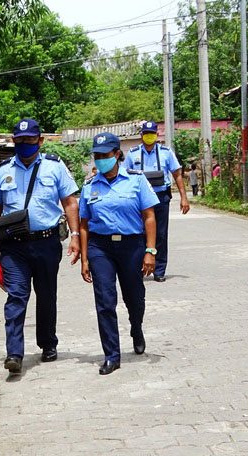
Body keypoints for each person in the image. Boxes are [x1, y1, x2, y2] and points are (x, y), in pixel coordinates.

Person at [0, 118, 80, 374]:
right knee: (16, 296)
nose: (24, 144)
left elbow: (70, 202)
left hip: (46, 243)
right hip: (13, 247)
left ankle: (48, 343)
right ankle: (14, 353)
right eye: (19, 140)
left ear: (40, 141)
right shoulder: (4, 170)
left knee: (46, 295)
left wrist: (75, 235)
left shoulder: (54, 166)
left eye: (29, 140)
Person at [79, 132, 159, 375]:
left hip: (131, 246)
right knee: (105, 301)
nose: (101, 159)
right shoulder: (89, 186)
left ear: (117, 154)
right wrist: (84, 259)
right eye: (97, 156)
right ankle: (111, 355)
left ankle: (136, 327)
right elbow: (84, 224)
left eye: (105, 155)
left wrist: (150, 251)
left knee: (134, 297)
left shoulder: (136, 180)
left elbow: (149, 217)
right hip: (100, 247)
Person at [124, 121, 190, 282]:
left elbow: (177, 174)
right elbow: (125, 176)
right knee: (139, 233)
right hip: (139, 198)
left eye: (152, 133)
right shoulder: (132, 154)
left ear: (157, 134)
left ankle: (159, 270)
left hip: (161, 196)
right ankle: (139, 268)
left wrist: (184, 197)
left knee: (160, 234)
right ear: (141, 135)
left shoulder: (166, 152)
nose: (149, 136)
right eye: (146, 133)